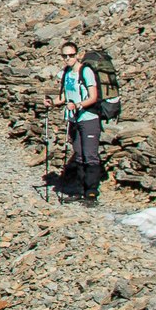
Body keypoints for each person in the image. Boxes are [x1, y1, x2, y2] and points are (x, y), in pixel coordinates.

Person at [45, 41, 103, 202]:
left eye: (71, 55)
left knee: (89, 155)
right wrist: (53, 102)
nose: (68, 58)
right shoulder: (66, 73)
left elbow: (93, 97)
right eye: (65, 56)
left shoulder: (86, 72)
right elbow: (64, 96)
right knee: (78, 153)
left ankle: (91, 192)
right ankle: (80, 189)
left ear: (77, 55)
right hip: (74, 119)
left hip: (88, 117)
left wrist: (77, 105)